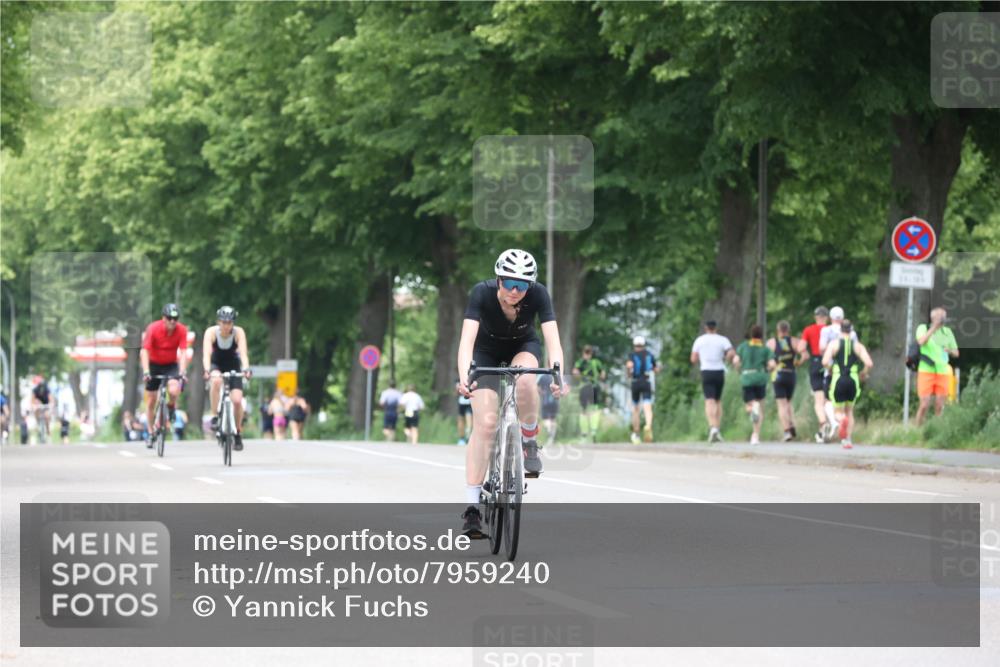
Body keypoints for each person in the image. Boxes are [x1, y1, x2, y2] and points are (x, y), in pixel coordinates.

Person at [455, 249, 566, 538]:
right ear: (498, 279)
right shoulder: (481, 292)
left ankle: (528, 439)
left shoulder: (539, 294)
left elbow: (553, 340)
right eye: (509, 283)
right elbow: (466, 342)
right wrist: (465, 377)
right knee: (486, 424)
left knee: (527, 381)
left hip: (522, 347)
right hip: (485, 351)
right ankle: (472, 508)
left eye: (523, 285)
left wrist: (558, 373)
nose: (515, 291)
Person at [202, 306, 251, 451]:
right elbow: (206, 354)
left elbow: (243, 354)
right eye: (224, 322)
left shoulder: (238, 332)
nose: (226, 325)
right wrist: (206, 370)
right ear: (218, 322)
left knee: (237, 400)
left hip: (233, 365)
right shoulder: (211, 332)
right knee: (216, 381)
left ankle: (238, 432)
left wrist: (246, 369)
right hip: (216, 363)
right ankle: (215, 416)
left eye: (230, 322)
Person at [141, 303, 188, 448]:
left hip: (170, 365)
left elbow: (184, 352)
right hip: (153, 365)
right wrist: (146, 371)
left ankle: (171, 405)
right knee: (151, 401)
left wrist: (182, 372)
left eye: (175, 318)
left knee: (174, 389)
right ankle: (150, 432)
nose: (172, 321)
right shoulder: (153, 328)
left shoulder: (181, 330)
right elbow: (145, 351)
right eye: (169, 318)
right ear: (163, 318)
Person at [822, 320, 874, 448]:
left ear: (840, 330)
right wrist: (863, 373)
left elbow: (824, 361)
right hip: (853, 379)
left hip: (838, 378)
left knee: (837, 411)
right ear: (851, 331)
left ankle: (841, 420)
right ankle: (847, 440)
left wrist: (830, 369)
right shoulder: (858, 346)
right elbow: (869, 363)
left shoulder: (833, 344)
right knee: (850, 411)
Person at [690, 321, 734, 443]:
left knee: (709, 401)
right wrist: (726, 358)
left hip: (706, 371)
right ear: (716, 328)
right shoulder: (722, 340)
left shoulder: (700, 340)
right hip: (719, 371)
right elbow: (731, 352)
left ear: (706, 328)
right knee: (718, 400)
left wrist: (702, 358)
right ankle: (717, 428)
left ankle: (712, 427)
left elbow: (693, 358)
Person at [818, 306, 858, 439]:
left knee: (828, 401)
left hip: (833, 372)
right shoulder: (852, 334)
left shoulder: (826, 330)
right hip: (851, 374)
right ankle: (847, 439)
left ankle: (836, 422)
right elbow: (856, 349)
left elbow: (822, 347)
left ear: (830, 317)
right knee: (849, 409)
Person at [915, 307, 959, 426]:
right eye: (939, 317)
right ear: (932, 318)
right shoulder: (923, 328)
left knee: (940, 405)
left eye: (943, 318)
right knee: (924, 404)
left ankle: (936, 431)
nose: (942, 320)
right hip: (926, 370)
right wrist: (934, 328)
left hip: (942, 372)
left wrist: (949, 350)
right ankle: (917, 430)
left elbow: (956, 352)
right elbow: (921, 342)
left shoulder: (947, 332)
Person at [733, 324, 776, 445]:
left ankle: (753, 406)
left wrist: (739, 370)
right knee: (760, 408)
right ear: (762, 336)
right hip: (760, 377)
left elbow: (735, 361)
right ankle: (755, 435)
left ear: (751, 335)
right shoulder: (765, 349)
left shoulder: (743, 346)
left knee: (749, 405)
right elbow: (772, 365)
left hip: (747, 377)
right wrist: (768, 371)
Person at [798, 306, 831, 443]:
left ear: (815, 317)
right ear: (827, 318)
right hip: (830, 364)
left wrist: (804, 354)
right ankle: (828, 427)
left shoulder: (809, 330)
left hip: (816, 362)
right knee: (829, 400)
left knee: (818, 400)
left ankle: (823, 424)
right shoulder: (832, 330)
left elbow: (801, 347)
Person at [767, 320, 803, 442]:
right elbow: (806, 355)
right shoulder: (795, 341)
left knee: (781, 404)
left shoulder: (772, 342)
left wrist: (770, 367)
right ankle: (791, 424)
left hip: (778, 374)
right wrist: (798, 363)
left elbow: (768, 358)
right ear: (788, 330)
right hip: (790, 374)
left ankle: (787, 430)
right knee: (788, 402)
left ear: (778, 330)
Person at [626, 335, 661, 444]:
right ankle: (648, 425)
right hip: (646, 381)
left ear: (634, 345)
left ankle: (636, 433)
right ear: (644, 345)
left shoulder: (631, 355)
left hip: (635, 382)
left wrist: (629, 373)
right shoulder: (649, 355)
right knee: (647, 406)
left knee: (635, 408)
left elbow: (629, 369)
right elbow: (656, 369)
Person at [573, 344, 606, 443]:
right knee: (595, 409)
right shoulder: (596, 362)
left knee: (583, 410)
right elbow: (603, 374)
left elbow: (574, 372)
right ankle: (594, 431)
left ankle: (584, 436)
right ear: (591, 353)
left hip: (584, 387)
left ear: (584, 352)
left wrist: (580, 377)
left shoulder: (580, 362)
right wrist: (598, 378)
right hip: (594, 387)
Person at [537, 373, 559, 446]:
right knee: (553, 419)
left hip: (545, 401)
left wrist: (542, 394)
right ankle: (551, 437)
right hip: (555, 401)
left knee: (545, 419)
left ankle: (549, 433)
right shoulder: (556, 375)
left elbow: (538, 388)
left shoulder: (542, 376)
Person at [30, 375, 52, 443]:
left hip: (46, 405)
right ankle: (37, 424)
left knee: (47, 416)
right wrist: (33, 405)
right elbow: (32, 399)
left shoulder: (47, 389)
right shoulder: (35, 390)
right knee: (36, 411)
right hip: (38, 406)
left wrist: (51, 404)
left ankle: (48, 432)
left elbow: (50, 398)